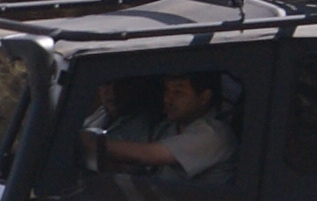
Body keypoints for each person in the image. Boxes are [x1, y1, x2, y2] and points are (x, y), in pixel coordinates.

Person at [92, 73, 232, 188]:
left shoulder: (213, 134)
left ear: (203, 97)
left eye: (178, 92)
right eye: (166, 91)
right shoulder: (169, 127)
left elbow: (145, 155)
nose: (167, 99)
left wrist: (90, 143)